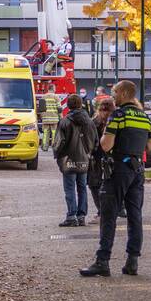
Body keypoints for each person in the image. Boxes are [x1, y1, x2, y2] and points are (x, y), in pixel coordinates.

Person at [81, 80, 151, 278]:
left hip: (118, 169)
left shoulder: (118, 116)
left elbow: (105, 145)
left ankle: (102, 261)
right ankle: (132, 261)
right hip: (137, 170)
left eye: (114, 93)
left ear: (123, 93)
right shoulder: (145, 117)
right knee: (134, 215)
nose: (113, 97)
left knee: (109, 215)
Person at [54, 94, 98, 227]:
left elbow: (58, 142)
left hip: (68, 159)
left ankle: (71, 216)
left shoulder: (65, 121)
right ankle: (81, 216)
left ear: (68, 105)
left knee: (69, 189)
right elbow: (95, 141)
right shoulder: (90, 122)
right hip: (84, 159)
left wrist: (58, 155)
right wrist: (89, 153)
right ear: (81, 105)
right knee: (82, 188)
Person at [87, 96, 116, 224]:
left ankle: (103, 212)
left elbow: (89, 141)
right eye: (103, 110)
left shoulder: (94, 122)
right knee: (96, 184)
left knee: (96, 185)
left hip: (99, 157)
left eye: (106, 110)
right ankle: (105, 211)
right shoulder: (114, 121)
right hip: (103, 157)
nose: (105, 113)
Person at [40, 84, 61, 152]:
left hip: (45, 119)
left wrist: (42, 117)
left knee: (45, 133)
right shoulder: (56, 97)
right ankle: (54, 147)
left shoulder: (43, 97)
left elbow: (41, 109)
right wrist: (61, 117)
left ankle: (44, 147)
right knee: (54, 133)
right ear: (53, 88)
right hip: (54, 119)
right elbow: (59, 108)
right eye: (55, 88)